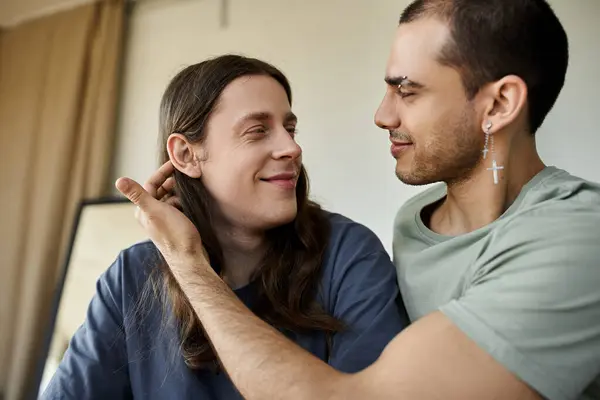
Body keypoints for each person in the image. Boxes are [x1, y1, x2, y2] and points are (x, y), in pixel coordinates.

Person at [116, 0, 600, 399]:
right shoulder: (416, 222)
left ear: (497, 105)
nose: (381, 115)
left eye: (407, 92)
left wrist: (189, 262)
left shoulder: (579, 236)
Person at [42, 55, 407, 399]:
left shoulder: (349, 254)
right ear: (186, 155)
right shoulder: (132, 276)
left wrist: (189, 263)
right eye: (258, 130)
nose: (291, 148)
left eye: (290, 128)